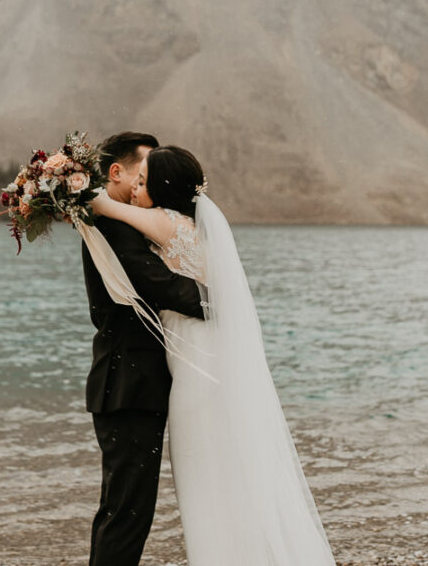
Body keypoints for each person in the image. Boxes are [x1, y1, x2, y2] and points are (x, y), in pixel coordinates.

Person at [91, 145, 337, 565]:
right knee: (228, 468)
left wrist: (63, 183)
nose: (135, 188)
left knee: (203, 478)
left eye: (144, 181)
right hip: (211, 358)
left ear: (164, 189)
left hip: (197, 371)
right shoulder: (194, 226)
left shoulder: (163, 222)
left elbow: (101, 205)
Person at [80, 132, 206, 566]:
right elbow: (157, 283)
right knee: (127, 512)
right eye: (140, 175)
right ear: (117, 171)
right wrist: (216, 302)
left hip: (135, 383)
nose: (139, 188)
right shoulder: (113, 225)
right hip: (127, 384)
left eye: (148, 180)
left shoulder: (125, 221)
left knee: (123, 508)